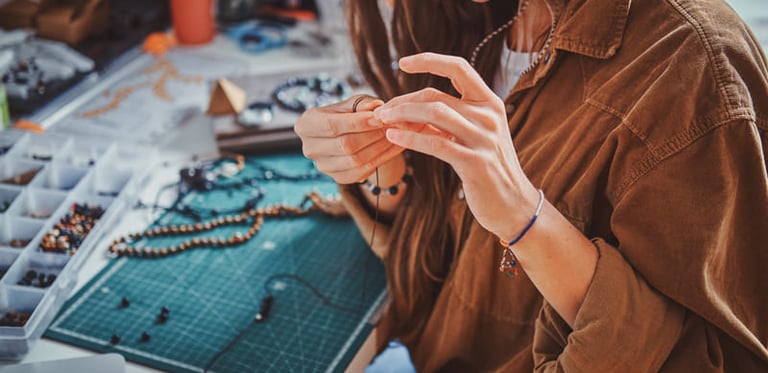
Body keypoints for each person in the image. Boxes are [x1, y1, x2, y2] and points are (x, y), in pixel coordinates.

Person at [294, 0, 768, 371]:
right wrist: (384, 174)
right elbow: (454, 254)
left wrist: (525, 217)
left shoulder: (695, 65)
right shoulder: (493, 15)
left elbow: (720, 360)